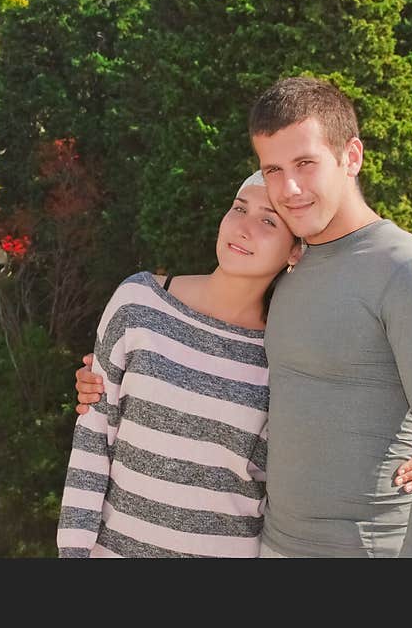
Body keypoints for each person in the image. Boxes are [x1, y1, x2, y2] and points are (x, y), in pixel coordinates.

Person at [72, 76, 412, 558]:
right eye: (272, 168)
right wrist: (105, 381)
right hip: (268, 548)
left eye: (305, 164)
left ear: (352, 156)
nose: (288, 187)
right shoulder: (292, 277)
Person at [57, 173, 302, 557]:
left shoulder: (287, 354)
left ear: (295, 252)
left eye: (268, 220)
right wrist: (73, 553)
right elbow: (92, 438)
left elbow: (310, 461)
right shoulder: (139, 302)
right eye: (239, 209)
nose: (243, 227)